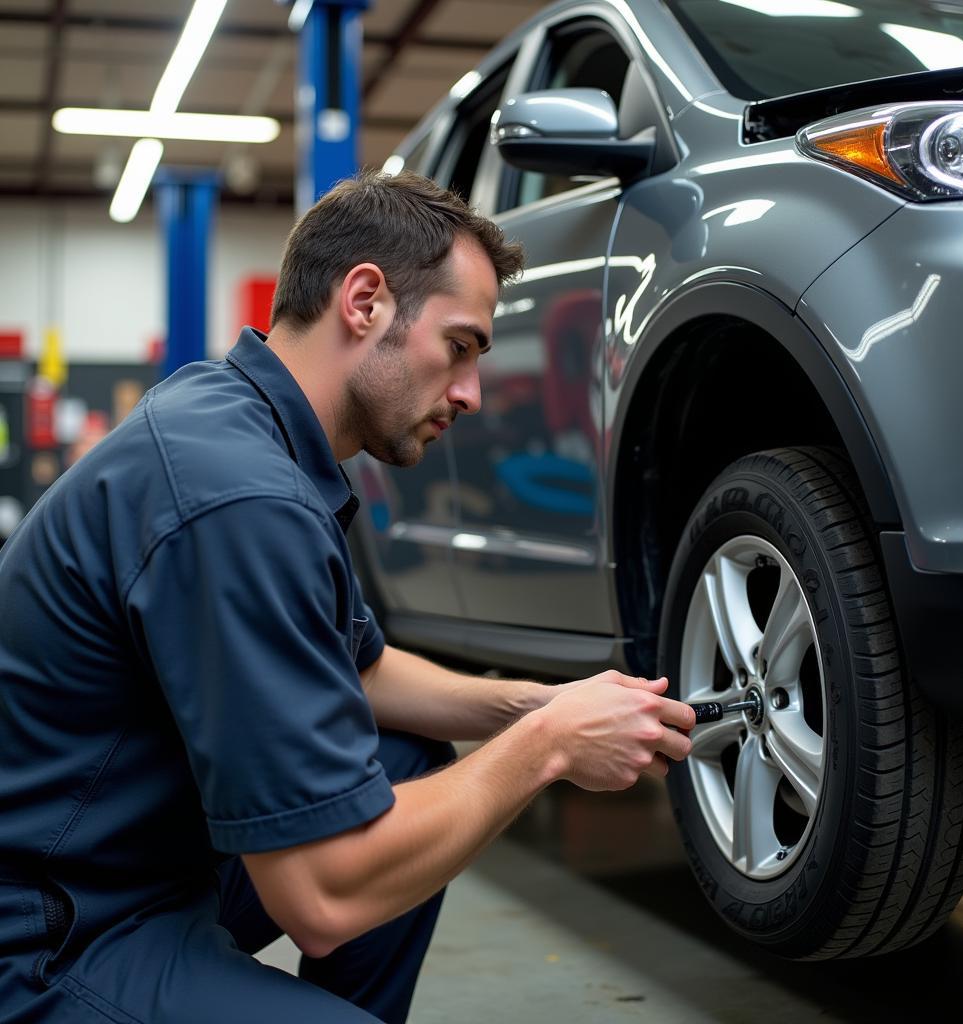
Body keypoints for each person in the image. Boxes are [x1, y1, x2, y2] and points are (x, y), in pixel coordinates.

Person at [0, 170, 695, 1024]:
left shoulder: (239, 420)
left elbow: (357, 668)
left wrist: (533, 705)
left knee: (405, 755)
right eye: (462, 346)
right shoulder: (241, 497)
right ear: (364, 301)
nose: (473, 392)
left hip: (133, 857)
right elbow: (320, 896)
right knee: (351, 860)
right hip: (51, 929)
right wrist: (547, 748)